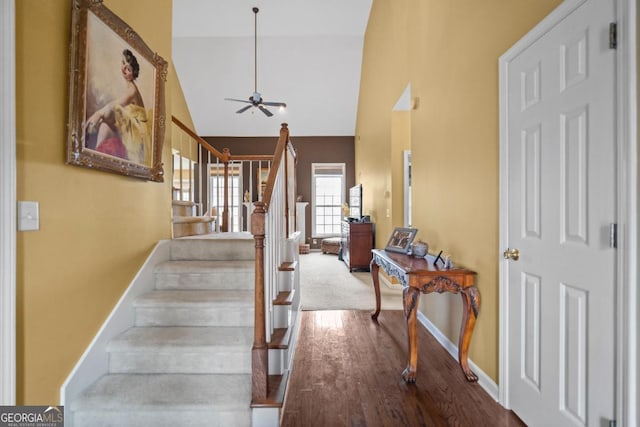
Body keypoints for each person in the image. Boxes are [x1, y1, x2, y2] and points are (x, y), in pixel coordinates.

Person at [86, 49, 150, 164]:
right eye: (123, 63)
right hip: (130, 132)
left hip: (135, 138)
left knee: (105, 120)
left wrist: (98, 114)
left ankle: (94, 156)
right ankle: (94, 155)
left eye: (129, 69)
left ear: (133, 74)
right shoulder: (129, 88)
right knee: (105, 125)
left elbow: (113, 105)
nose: (124, 69)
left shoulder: (132, 91)